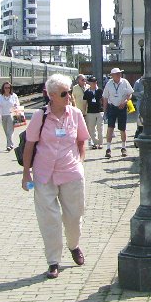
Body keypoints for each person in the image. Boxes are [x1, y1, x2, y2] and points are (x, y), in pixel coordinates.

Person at [21, 73, 90, 279]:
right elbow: (29, 145)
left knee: (74, 216)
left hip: (71, 173)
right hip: (44, 175)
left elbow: (82, 140)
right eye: (64, 93)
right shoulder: (39, 116)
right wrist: (26, 174)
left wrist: (80, 162)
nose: (68, 95)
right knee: (49, 219)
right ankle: (53, 261)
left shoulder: (76, 114)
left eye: (69, 91)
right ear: (51, 95)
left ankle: (74, 245)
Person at [102, 67, 134, 158]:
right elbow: (105, 97)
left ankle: (123, 147)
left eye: (119, 73)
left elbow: (130, 93)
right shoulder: (109, 84)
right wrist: (105, 111)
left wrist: (125, 102)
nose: (119, 75)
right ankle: (108, 149)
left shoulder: (125, 82)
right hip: (112, 107)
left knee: (122, 129)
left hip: (122, 108)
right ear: (112, 76)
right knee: (110, 127)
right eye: (117, 74)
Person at [0, 82, 21, 151]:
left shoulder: (14, 96)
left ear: (10, 88)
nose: (7, 89)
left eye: (8, 88)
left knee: (10, 131)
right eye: (5, 88)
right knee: (6, 131)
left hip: (11, 115)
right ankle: (11, 144)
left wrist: (16, 107)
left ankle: (9, 145)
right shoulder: (1, 96)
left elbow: (17, 105)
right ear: (3, 88)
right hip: (3, 115)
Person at [83, 76, 104, 149]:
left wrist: (105, 109)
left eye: (94, 82)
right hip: (90, 112)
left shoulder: (100, 91)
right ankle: (95, 142)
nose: (92, 84)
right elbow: (85, 102)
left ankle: (100, 143)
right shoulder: (86, 92)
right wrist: (84, 112)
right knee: (91, 128)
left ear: (96, 83)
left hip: (99, 111)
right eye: (91, 82)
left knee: (100, 128)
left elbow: (103, 100)